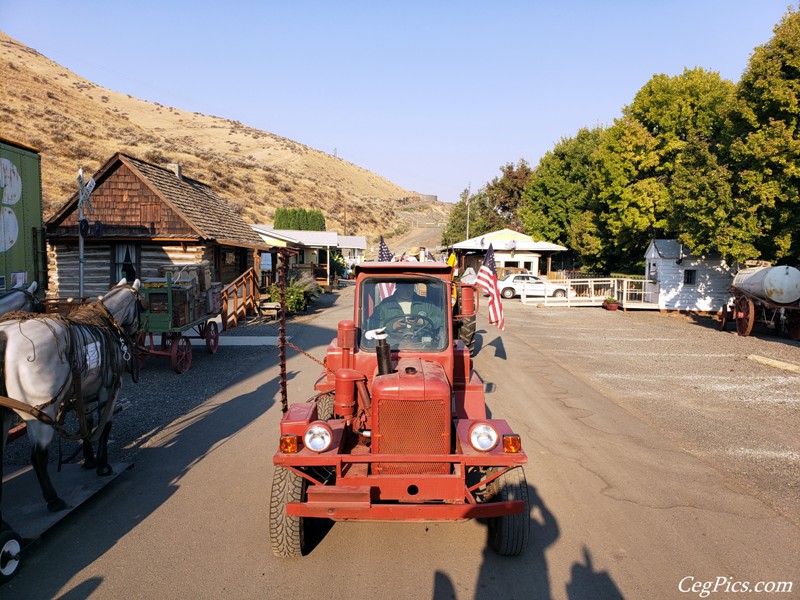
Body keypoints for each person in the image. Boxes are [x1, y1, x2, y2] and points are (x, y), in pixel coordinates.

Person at [368, 281, 445, 337]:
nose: (407, 290)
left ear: (413, 287)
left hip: (421, 343)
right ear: (397, 287)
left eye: (409, 287)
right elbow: (373, 324)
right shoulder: (385, 305)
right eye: (403, 287)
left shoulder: (426, 304)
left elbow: (441, 320)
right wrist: (392, 326)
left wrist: (423, 322)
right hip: (392, 345)